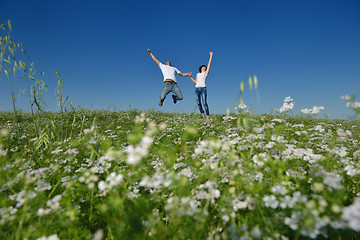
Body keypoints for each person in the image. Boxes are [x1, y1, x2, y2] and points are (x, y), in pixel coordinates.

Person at [189, 51, 213, 118]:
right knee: (198, 103)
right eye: (203, 67)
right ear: (201, 68)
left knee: (205, 103)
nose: (204, 67)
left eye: (205, 67)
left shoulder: (205, 73)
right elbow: (195, 82)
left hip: (203, 89)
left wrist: (211, 56)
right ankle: (202, 114)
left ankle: (207, 116)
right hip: (197, 89)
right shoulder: (198, 74)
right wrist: (190, 77)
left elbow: (209, 63)